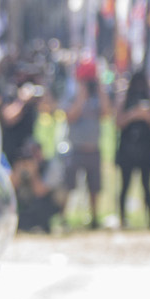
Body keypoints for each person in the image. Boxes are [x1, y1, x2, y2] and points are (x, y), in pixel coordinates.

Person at [62, 57, 110, 228]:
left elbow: (106, 114)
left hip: (93, 148)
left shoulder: (99, 94)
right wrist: (82, 95)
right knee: (69, 185)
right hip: (75, 148)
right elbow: (71, 116)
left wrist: (101, 89)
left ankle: (94, 218)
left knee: (95, 187)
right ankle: (64, 216)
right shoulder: (72, 93)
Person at [115, 68, 150, 228]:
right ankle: (122, 219)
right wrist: (133, 114)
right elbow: (118, 122)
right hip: (127, 150)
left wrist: (146, 114)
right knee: (124, 185)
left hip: (146, 149)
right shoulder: (125, 98)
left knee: (148, 186)